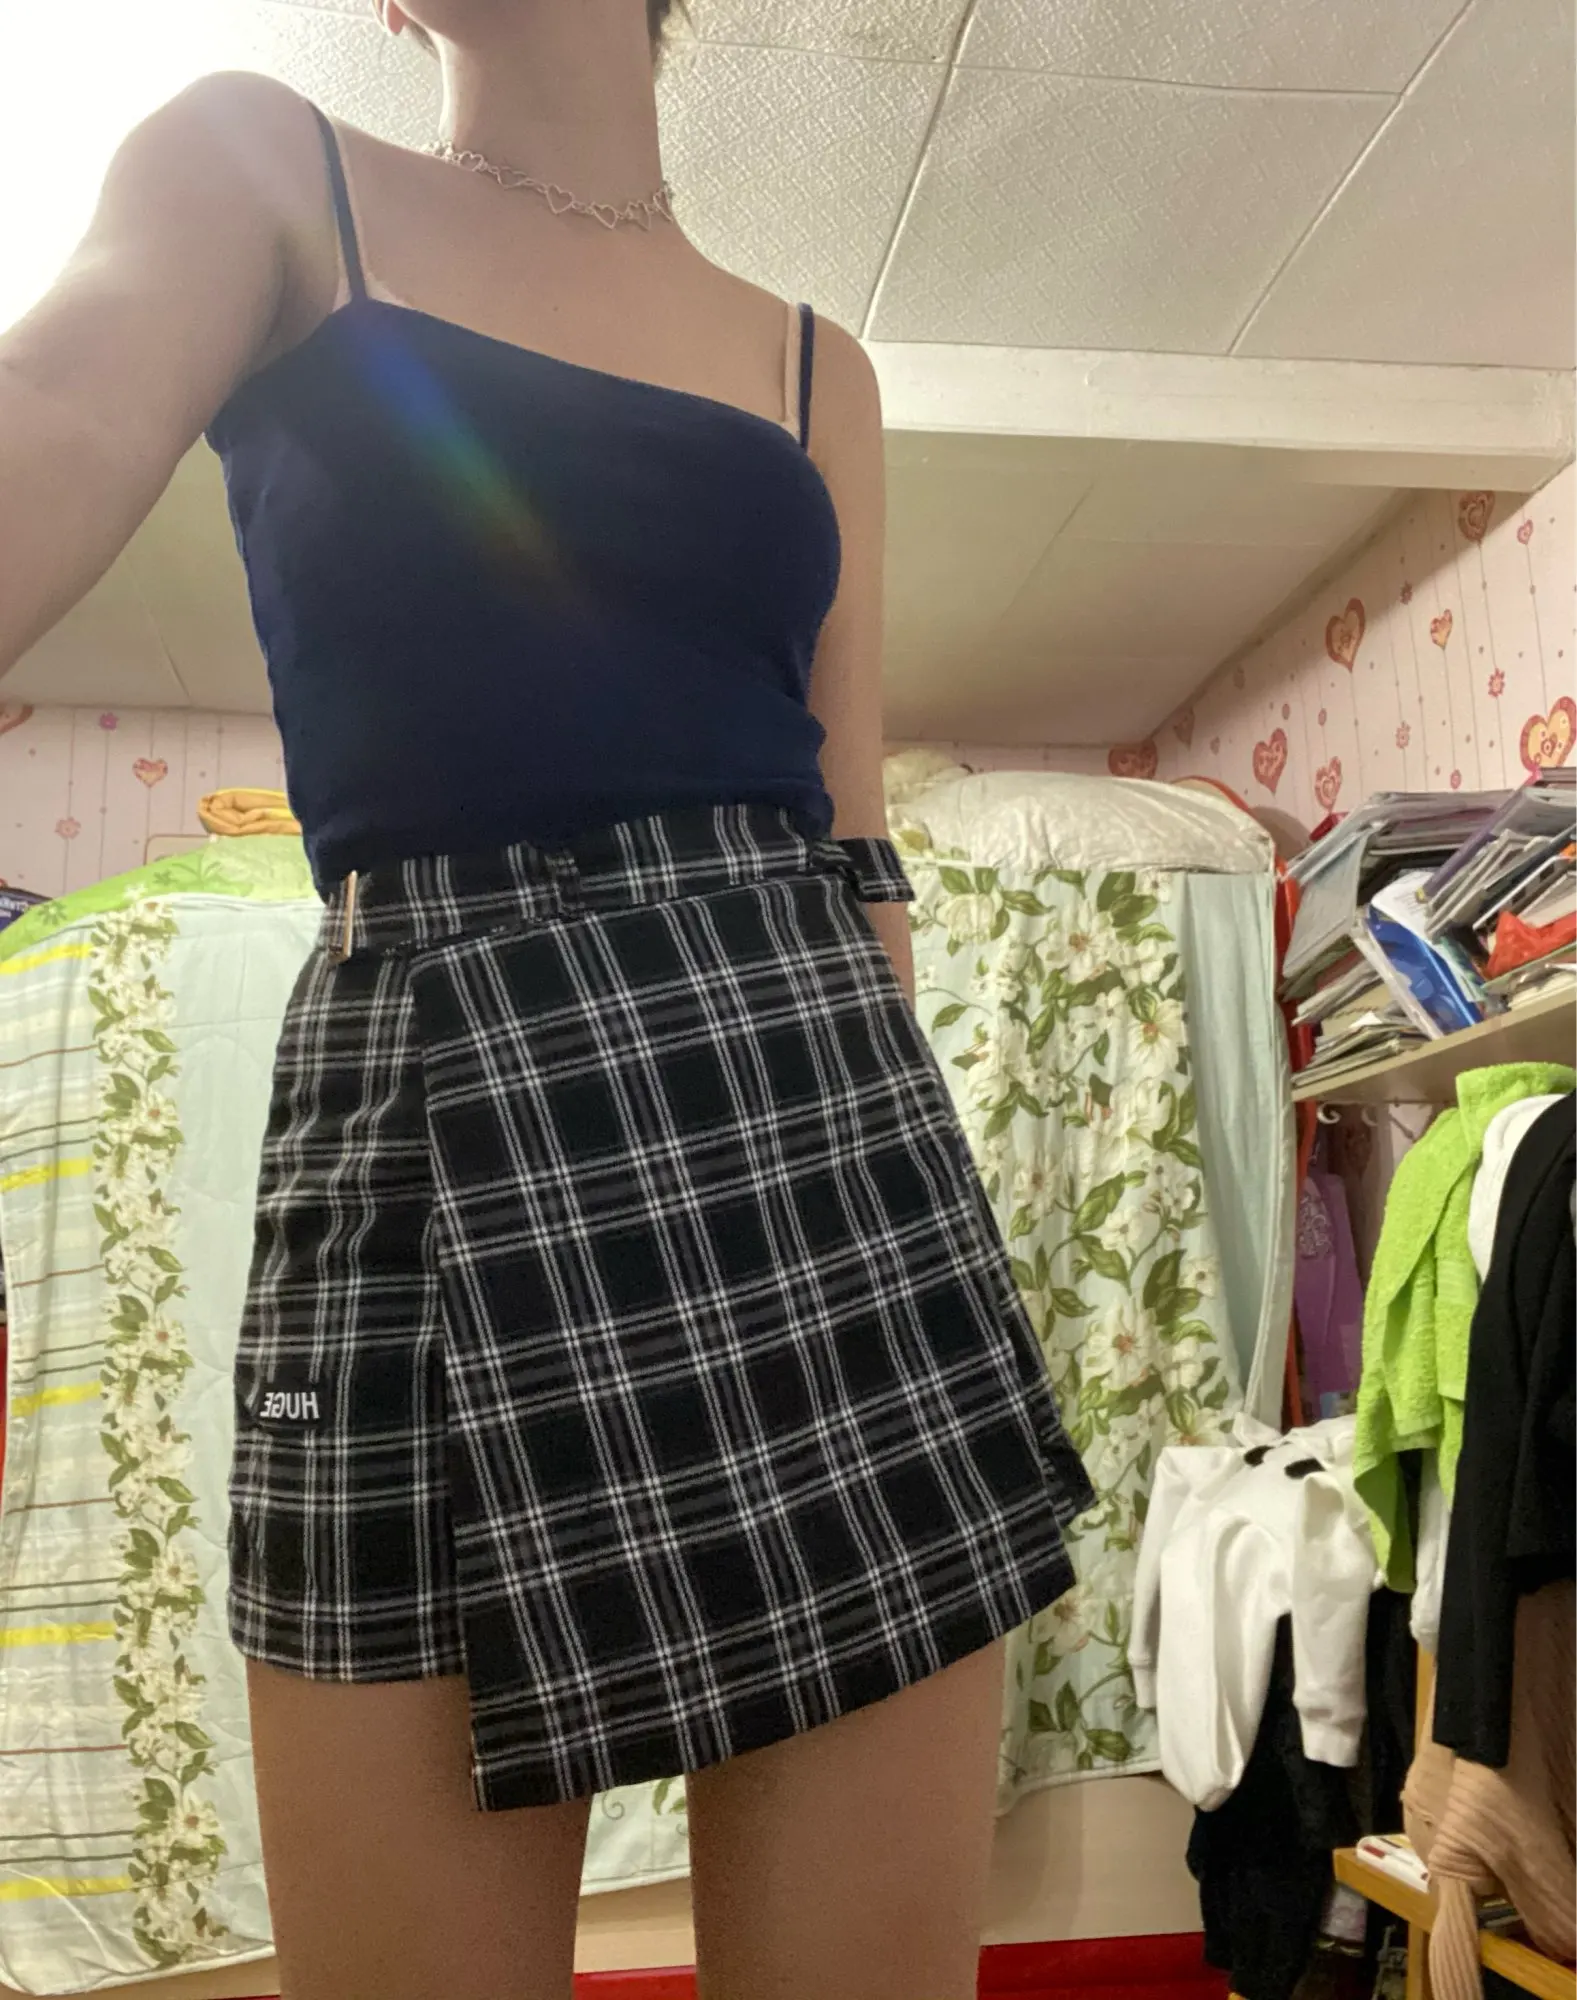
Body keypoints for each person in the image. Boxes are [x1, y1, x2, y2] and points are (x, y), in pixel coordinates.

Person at [0, 6, 1094, 1995]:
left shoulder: (816, 367)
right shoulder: (261, 165)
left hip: (815, 1117)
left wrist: (911, 1212)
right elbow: (51, 415)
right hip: (428, 1106)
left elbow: (853, 836)